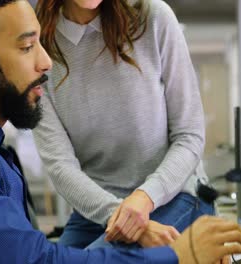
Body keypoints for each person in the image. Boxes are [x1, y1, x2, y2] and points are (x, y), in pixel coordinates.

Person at [0, 0, 241, 263]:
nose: (47, 63)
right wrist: (177, 256)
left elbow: (29, 253)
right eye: (28, 47)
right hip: (96, 208)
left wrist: (146, 212)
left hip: (169, 195)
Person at [33, 0, 212, 250]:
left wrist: (144, 198)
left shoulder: (153, 17)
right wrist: (122, 215)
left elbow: (190, 135)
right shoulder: (36, 47)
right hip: (98, 211)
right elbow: (61, 166)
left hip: (173, 196)